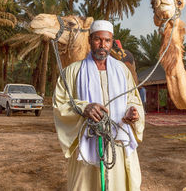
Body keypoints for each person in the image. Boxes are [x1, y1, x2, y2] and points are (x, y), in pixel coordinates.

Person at [53, 20, 145, 191]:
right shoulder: (73, 71)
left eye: (107, 40)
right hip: (86, 145)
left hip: (118, 141)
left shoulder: (123, 71)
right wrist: (84, 108)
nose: (103, 45)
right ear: (90, 40)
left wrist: (134, 112)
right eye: (98, 39)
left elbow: (133, 99)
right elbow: (60, 104)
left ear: (112, 42)